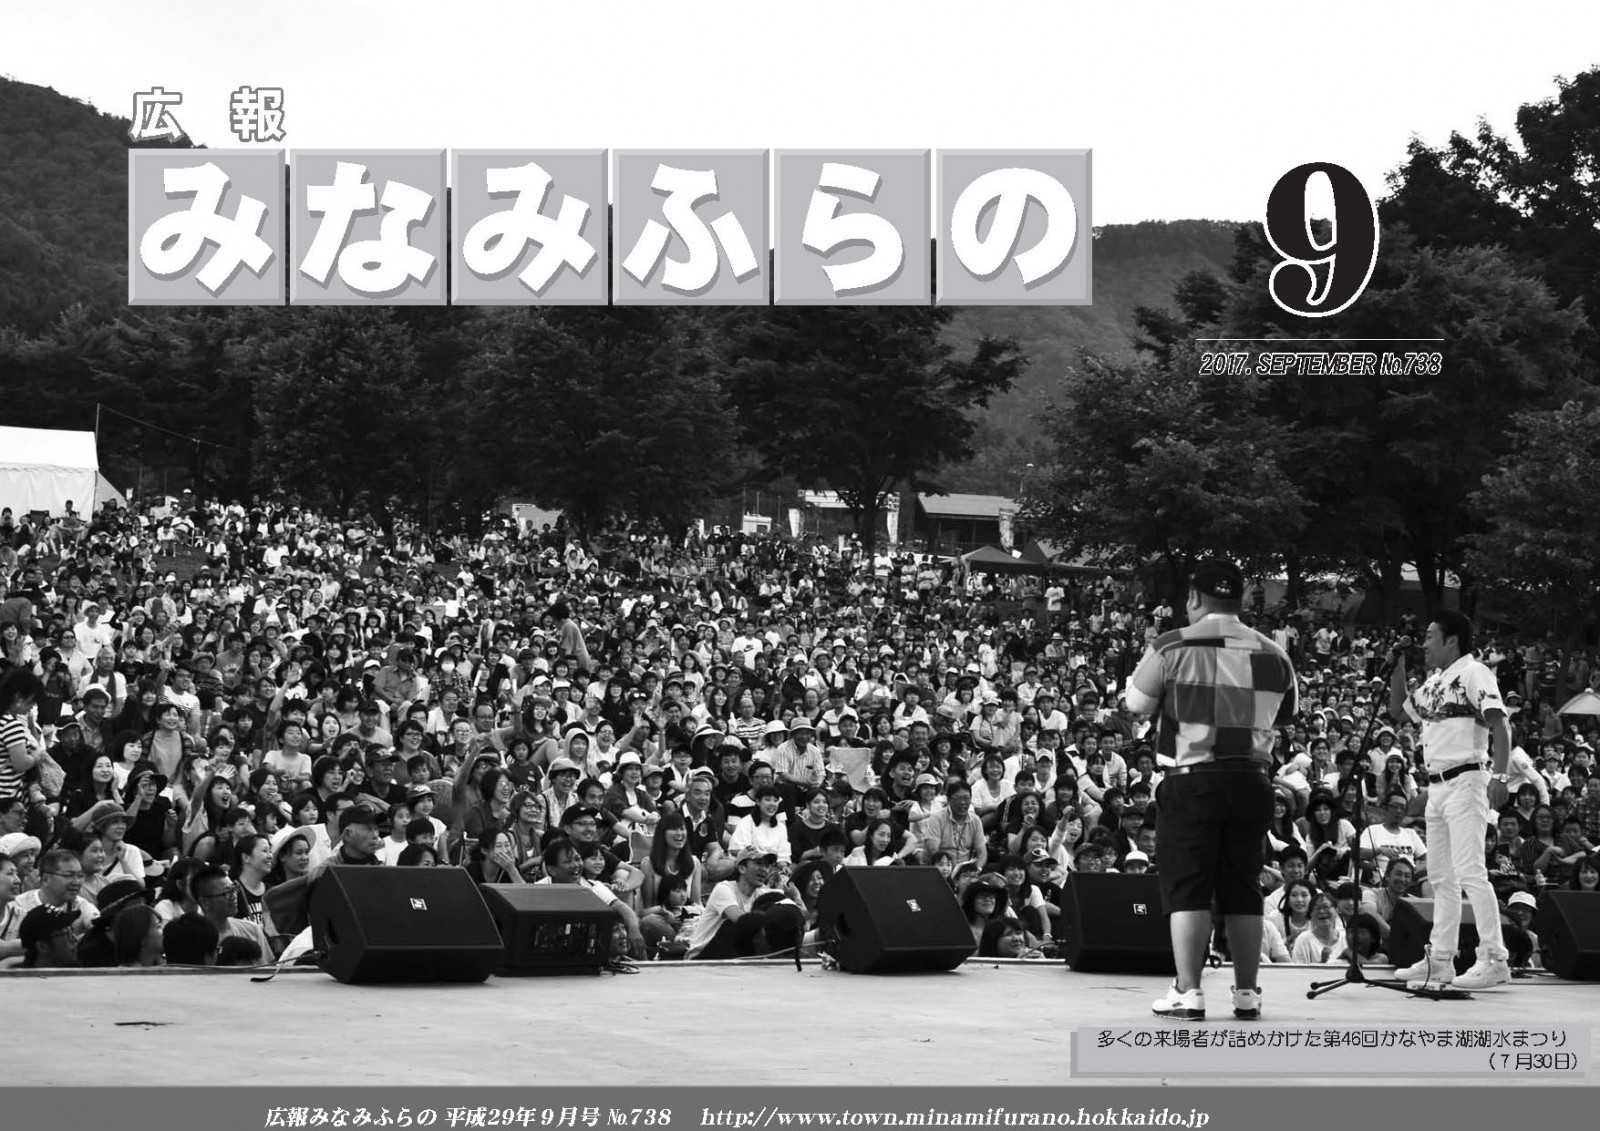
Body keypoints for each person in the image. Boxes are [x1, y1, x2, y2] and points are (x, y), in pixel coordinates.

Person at [1123, 559, 1296, 1022]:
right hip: (1253, 782)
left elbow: (1136, 703)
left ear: (1196, 598)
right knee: (1243, 886)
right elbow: (1284, 715)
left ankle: (1188, 991)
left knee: (1189, 887)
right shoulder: (1275, 653)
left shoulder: (1171, 645)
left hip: (1192, 780)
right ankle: (1247, 993)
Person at [1388, 611, 1514, 991]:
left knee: (1471, 871)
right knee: (1441, 877)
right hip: (1437, 787)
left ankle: (1494, 958)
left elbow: (1500, 723)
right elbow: (1398, 711)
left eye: (1430, 636)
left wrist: (1501, 776)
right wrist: (1398, 664)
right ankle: (1441, 960)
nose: (1424, 643)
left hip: (1467, 780)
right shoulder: (1435, 682)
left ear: (1452, 640)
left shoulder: (1475, 673)